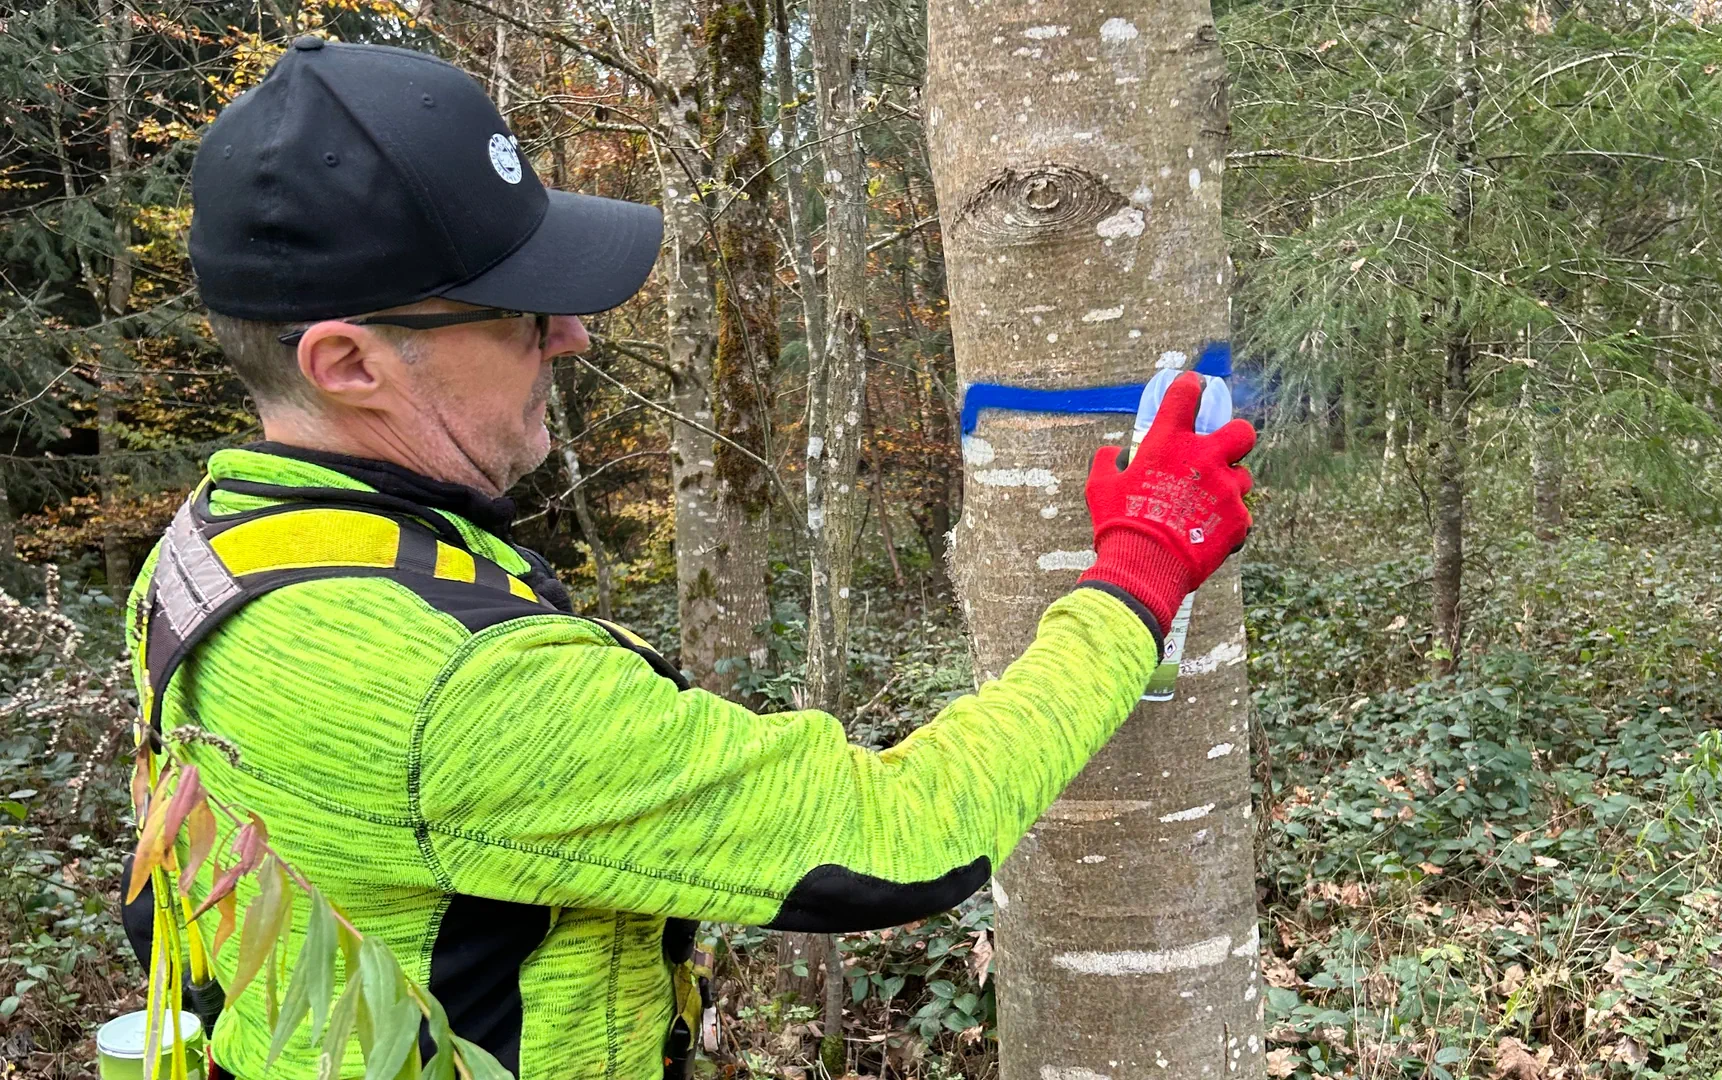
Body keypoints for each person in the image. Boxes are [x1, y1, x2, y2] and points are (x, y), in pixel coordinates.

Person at [127, 37, 1257, 1080]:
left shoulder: (213, 551)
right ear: (348, 362)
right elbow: (907, 833)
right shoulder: (462, 686)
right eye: (518, 313)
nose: (569, 334)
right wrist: (1142, 573)